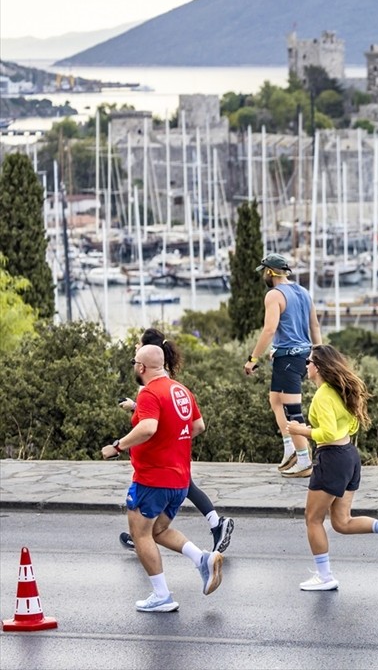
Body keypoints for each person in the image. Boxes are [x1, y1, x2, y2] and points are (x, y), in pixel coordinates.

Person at [100, 345, 223, 613]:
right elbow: (198, 426)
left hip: (152, 479)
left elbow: (147, 428)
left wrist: (117, 446)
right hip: (179, 480)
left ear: (141, 367)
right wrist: (172, 441)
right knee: (158, 531)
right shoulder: (181, 390)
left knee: (140, 533)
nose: (134, 366)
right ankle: (201, 559)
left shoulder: (149, 393)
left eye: (135, 362)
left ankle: (162, 595)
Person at [284, 344, 378, 590]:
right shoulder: (339, 391)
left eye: (309, 362)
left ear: (319, 367)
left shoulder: (323, 394)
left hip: (332, 457)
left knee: (312, 519)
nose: (306, 366)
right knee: (341, 522)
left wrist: (301, 430)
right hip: (349, 457)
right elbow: (352, 426)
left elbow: (329, 433)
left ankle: (325, 577)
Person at [119, 328, 234, 555]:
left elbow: (152, 423)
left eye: (138, 343)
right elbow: (192, 423)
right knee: (186, 485)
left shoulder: (149, 384)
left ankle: (143, 537)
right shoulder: (172, 384)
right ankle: (214, 525)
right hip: (175, 456)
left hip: (159, 461)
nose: (135, 347)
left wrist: (120, 444)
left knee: (159, 496)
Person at [244, 253, 321, 478]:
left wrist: (252, 359)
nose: (263, 277)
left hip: (289, 358)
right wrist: (317, 352)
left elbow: (269, 329)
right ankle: (290, 448)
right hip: (297, 354)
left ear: (270, 272)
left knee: (292, 411)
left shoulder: (274, 295)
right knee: (275, 399)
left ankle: (304, 460)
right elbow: (314, 325)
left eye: (263, 272)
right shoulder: (303, 292)